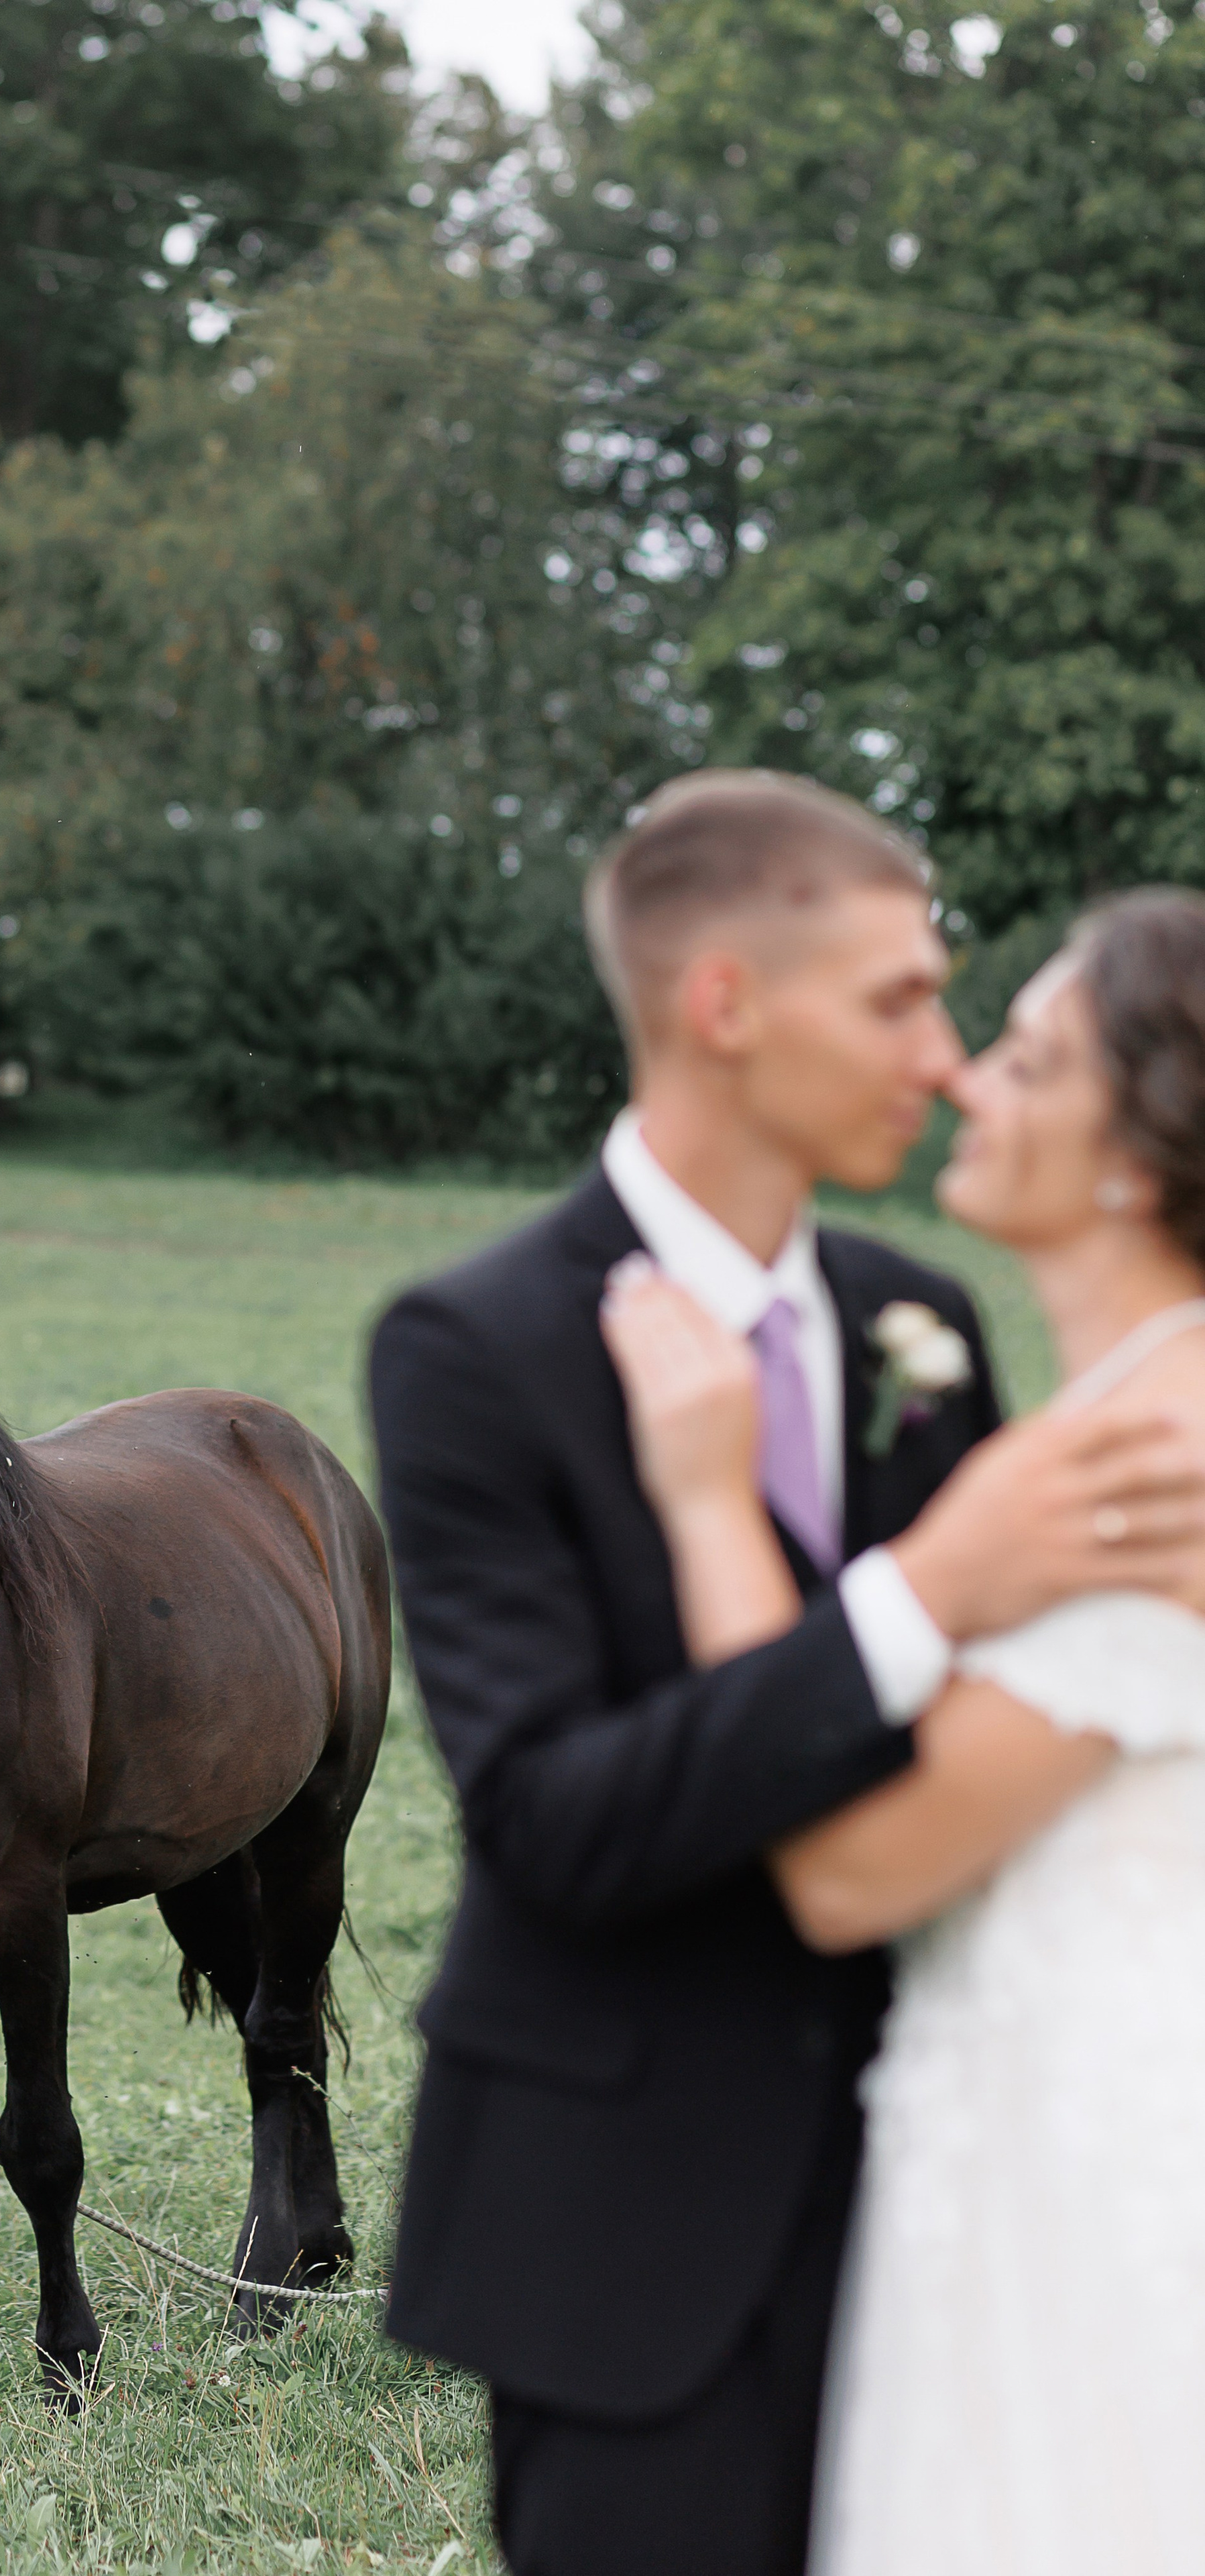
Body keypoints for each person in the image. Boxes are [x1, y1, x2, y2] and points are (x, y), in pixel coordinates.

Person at [368, 771, 1205, 2576]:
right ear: (726, 1005)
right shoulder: (477, 1345)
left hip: (966, 2206)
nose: (944, 1058)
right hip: (628, 2227)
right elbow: (553, 1819)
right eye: (900, 1000)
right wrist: (919, 1592)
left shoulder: (929, 1322)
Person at [604, 885, 1205, 2575]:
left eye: (1026, 1060)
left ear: (1134, 1154)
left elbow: (851, 1866)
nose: (961, 1081)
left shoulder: (1158, 1460)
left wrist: (708, 1501)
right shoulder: (1104, 1417)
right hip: (1016, 2112)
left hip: (1105, 2161)